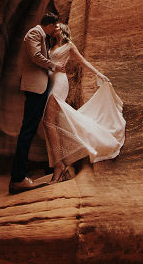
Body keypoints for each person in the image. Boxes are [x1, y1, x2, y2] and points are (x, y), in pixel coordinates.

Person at [43, 23, 125, 183]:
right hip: (50, 83)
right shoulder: (50, 46)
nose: (56, 28)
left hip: (59, 83)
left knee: (48, 122)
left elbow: (83, 61)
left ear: (64, 30)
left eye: (58, 26)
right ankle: (61, 165)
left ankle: (59, 167)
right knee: (52, 123)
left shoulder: (69, 46)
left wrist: (99, 74)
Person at [9, 13, 66, 194]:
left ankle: (20, 177)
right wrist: (54, 66)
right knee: (27, 132)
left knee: (30, 130)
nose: (53, 31)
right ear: (49, 25)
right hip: (35, 89)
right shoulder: (35, 33)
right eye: (54, 27)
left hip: (39, 88)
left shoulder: (42, 36)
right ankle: (17, 179)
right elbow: (35, 56)